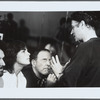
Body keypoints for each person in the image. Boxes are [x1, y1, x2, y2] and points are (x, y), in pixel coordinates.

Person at [51, 11, 100, 87]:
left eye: (73, 27)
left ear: (82, 24)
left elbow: (68, 84)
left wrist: (59, 73)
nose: (71, 32)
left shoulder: (84, 47)